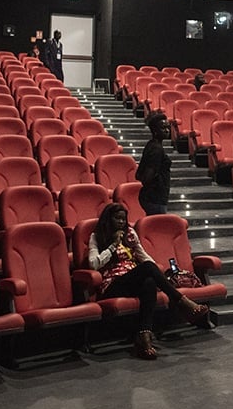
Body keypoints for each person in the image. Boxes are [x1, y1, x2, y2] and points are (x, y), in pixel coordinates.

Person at [88, 203, 215, 359]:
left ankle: (144, 337)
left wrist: (158, 274)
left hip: (131, 279)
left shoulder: (129, 234)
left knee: (149, 282)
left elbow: (144, 256)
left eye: (123, 219)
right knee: (148, 269)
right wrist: (113, 245)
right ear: (108, 219)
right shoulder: (97, 237)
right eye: (117, 218)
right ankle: (182, 302)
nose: (121, 222)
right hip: (112, 284)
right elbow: (94, 264)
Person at [137, 113, 172, 215]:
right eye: (163, 128)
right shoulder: (156, 149)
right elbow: (148, 176)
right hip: (155, 197)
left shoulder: (152, 145)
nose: (167, 130)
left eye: (167, 127)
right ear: (155, 131)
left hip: (154, 196)